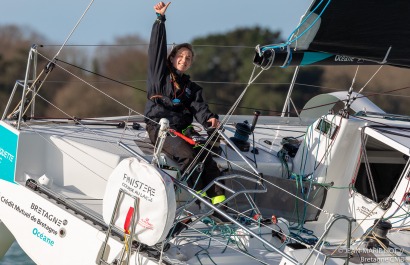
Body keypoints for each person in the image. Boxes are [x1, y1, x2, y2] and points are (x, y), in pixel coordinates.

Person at [144, 2, 226, 209]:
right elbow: (156, 48)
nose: (184, 59)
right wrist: (159, 20)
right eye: (180, 56)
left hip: (182, 130)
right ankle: (194, 197)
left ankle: (220, 204)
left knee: (205, 156)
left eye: (188, 58)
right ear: (171, 58)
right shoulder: (159, 75)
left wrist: (210, 119)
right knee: (188, 155)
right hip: (160, 128)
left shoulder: (191, 88)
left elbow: (200, 109)